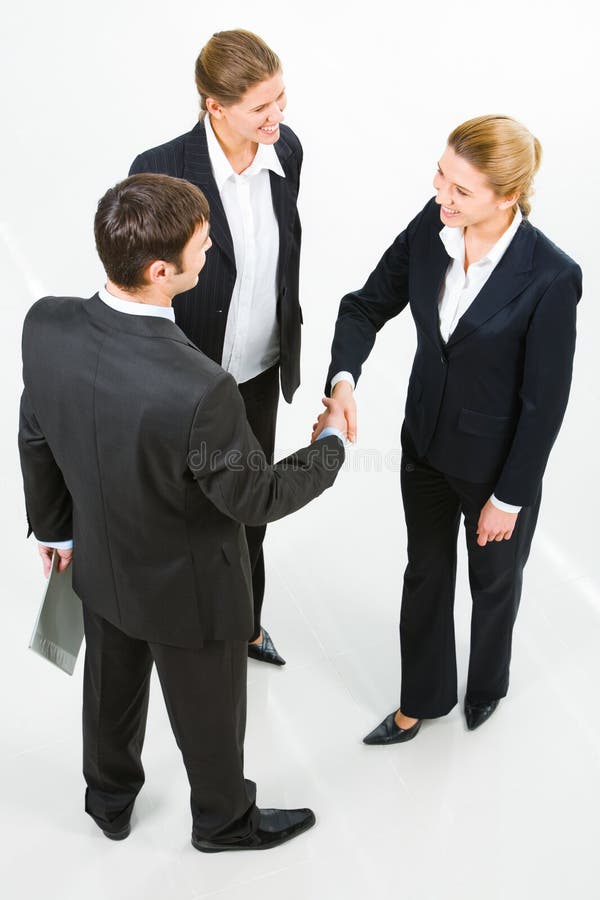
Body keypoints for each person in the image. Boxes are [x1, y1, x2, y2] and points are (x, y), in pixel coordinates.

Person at [19, 173, 346, 851]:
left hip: (102, 566)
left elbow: (35, 428)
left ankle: (109, 803)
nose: (212, 250)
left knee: (110, 697)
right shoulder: (201, 388)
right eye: (204, 245)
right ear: (162, 271)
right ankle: (224, 822)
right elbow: (256, 496)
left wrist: (55, 529)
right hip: (190, 591)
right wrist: (333, 446)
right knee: (211, 715)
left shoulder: (44, 323)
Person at [314, 115, 582, 742]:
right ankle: (421, 699)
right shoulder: (434, 227)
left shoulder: (550, 276)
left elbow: (546, 402)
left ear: (507, 196)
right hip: (425, 447)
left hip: (496, 467)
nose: (443, 195)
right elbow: (364, 304)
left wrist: (509, 497)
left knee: (494, 586)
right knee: (425, 573)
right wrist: (344, 380)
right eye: (441, 174)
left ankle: (487, 685)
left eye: (461, 189)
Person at [129, 29, 301, 667]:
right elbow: (143, 281)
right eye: (261, 107)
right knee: (179, 506)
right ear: (215, 107)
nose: (276, 117)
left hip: (255, 373)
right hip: (181, 375)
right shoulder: (162, 168)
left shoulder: (288, 154)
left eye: (281, 97)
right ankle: (170, 623)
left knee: (250, 508)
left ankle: (248, 623)